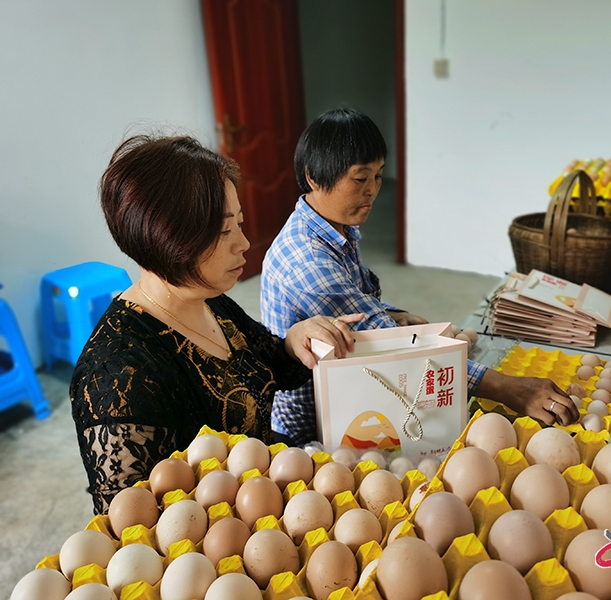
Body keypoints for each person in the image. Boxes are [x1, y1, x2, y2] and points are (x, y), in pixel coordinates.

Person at [70, 134, 361, 514]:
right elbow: (131, 529)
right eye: (223, 231)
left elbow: (265, 365)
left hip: (263, 494)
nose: (243, 243)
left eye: (239, 223)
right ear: (167, 238)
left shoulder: (208, 301)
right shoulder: (117, 378)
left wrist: (295, 340)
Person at [261, 108, 579, 446]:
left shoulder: (331, 227)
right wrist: (510, 388)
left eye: (379, 176)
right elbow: (392, 349)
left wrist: (393, 314)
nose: (373, 191)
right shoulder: (309, 261)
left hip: (347, 392)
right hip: (315, 426)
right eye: (360, 178)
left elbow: (356, 301)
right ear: (314, 177)